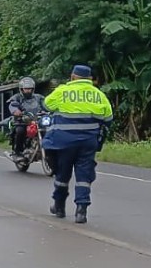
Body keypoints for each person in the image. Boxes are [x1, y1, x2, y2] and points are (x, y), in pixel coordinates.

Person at [42, 65, 113, 224]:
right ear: (89, 79)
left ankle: (59, 206)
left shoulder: (62, 91)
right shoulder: (98, 95)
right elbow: (108, 118)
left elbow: (46, 105)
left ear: (73, 77)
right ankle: (81, 210)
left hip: (63, 142)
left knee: (63, 173)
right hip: (88, 143)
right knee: (84, 176)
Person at [7, 77, 48, 159]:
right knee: (20, 131)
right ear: (21, 89)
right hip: (22, 121)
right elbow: (12, 105)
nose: (28, 90)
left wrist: (50, 110)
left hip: (37, 120)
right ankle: (17, 152)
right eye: (26, 89)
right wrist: (16, 112)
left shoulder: (38, 97)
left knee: (48, 130)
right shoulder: (17, 97)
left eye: (30, 89)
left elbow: (46, 105)